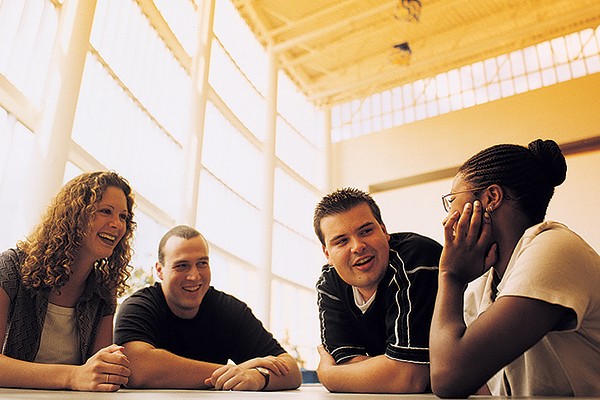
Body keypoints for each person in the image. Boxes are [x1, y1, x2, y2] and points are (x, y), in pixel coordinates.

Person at [430, 139, 600, 397]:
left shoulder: (555, 247)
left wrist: (449, 276)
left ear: (491, 198)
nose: (447, 216)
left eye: (453, 199)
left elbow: (447, 378)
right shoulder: (484, 286)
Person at [114, 225, 302, 391]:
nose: (194, 276)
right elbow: (137, 367)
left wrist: (260, 377)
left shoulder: (229, 310)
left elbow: (291, 370)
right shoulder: (139, 307)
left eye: (202, 263)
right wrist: (235, 372)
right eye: (182, 266)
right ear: (160, 270)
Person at [0, 171, 135, 391]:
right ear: (75, 215)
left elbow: (100, 375)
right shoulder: (11, 268)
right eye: (105, 211)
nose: (117, 225)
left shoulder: (103, 291)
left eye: (123, 217)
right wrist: (72, 376)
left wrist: (112, 370)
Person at [313, 187, 442, 393]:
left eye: (366, 231)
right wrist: (387, 371)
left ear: (384, 231)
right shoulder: (330, 282)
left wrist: (328, 375)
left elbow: (409, 377)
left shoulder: (416, 259)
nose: (357, 246)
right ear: (327, 253)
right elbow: (347, 363)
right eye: (341, 241)